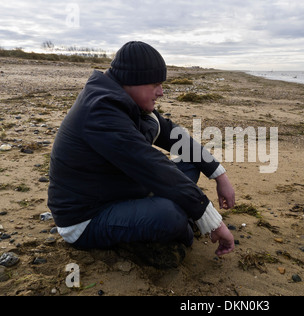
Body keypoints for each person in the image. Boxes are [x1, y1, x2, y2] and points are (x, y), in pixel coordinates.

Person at [47, 41, 235, 265]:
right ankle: (153, 236)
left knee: (191, 163)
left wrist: (219, 175)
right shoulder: (100, 111)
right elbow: (152, 165)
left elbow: (172, 134)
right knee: (172, 216)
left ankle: (162, 219)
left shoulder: (127, 103)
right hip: (86, 217)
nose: (161, 92)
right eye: (155, 84)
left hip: (117, 190)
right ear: (131, 80)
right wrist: (211, 220)